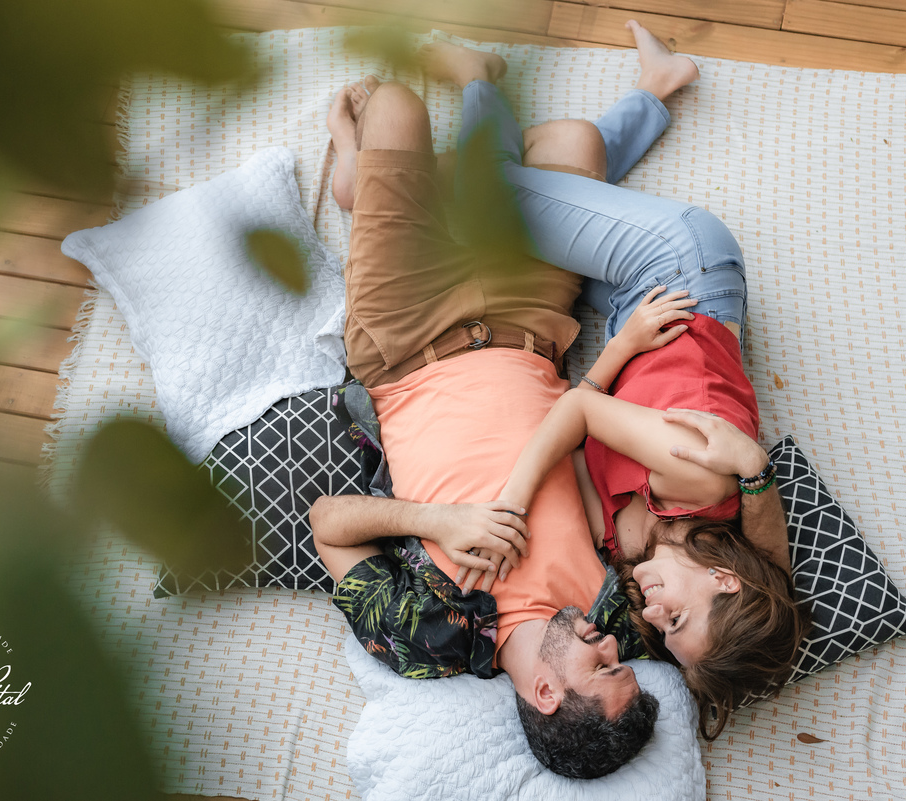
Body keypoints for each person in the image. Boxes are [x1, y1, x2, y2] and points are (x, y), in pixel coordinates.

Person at [419, 23, 807, 740]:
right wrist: (507, 505)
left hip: (632, 326)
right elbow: (576, 419)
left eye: (665, 633)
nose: (653, 616)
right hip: (681, 276)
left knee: (568, 151)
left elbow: (576, 430)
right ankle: (481, 76)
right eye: (678, 616)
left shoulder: (639, 557)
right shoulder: (699, 476)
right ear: (726, 579)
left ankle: (656, 91)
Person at [310, 57, 669, 778]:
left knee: (398, 104)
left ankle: (374, 171)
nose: (610, 645)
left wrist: (439, 522)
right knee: (574, 144)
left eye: (601, 668)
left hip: (404, 338)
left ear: (545, 691)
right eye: (617, 659)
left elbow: (326, 521)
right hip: (531, 319)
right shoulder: (620, 611)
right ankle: (410, 184)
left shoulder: (430, 640)